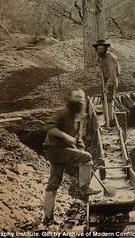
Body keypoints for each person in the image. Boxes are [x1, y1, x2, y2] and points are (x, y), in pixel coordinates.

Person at [42, 88, 100, 225]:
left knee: (54, 183)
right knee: (87, 158)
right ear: (70, 99)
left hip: (63, 151)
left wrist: (80, 149)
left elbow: (78, 140)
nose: (79, 100)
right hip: (54, 149)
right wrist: (65, 136)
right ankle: (84, 188)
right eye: (76, 97)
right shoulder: (62, 113)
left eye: (81, 97)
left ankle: (47, 218)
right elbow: (49, 127)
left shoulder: (78, 119)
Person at [93, 39, 120, 126]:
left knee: (108, 100)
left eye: (102, 48)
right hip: (103, 80)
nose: (100, 50)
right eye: (98, 49)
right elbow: (95, 64)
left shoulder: (111, 58)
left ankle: (110, 121)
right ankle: (106, 120)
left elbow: (113, 73)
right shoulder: (101, 57)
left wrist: (107, 87)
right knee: (103, 100)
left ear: (105, 48)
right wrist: (97, 59)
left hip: (111, 81)